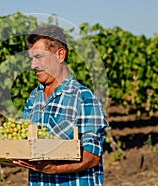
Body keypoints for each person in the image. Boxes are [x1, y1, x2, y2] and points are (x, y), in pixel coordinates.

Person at [12, 24, 108, 186]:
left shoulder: (84, 98)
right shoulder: (34, 98)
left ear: (60, 55)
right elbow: (26, 145)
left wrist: (53, 168)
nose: (33, 65)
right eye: (31, 59)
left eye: (38, 57)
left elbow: (92, 157)